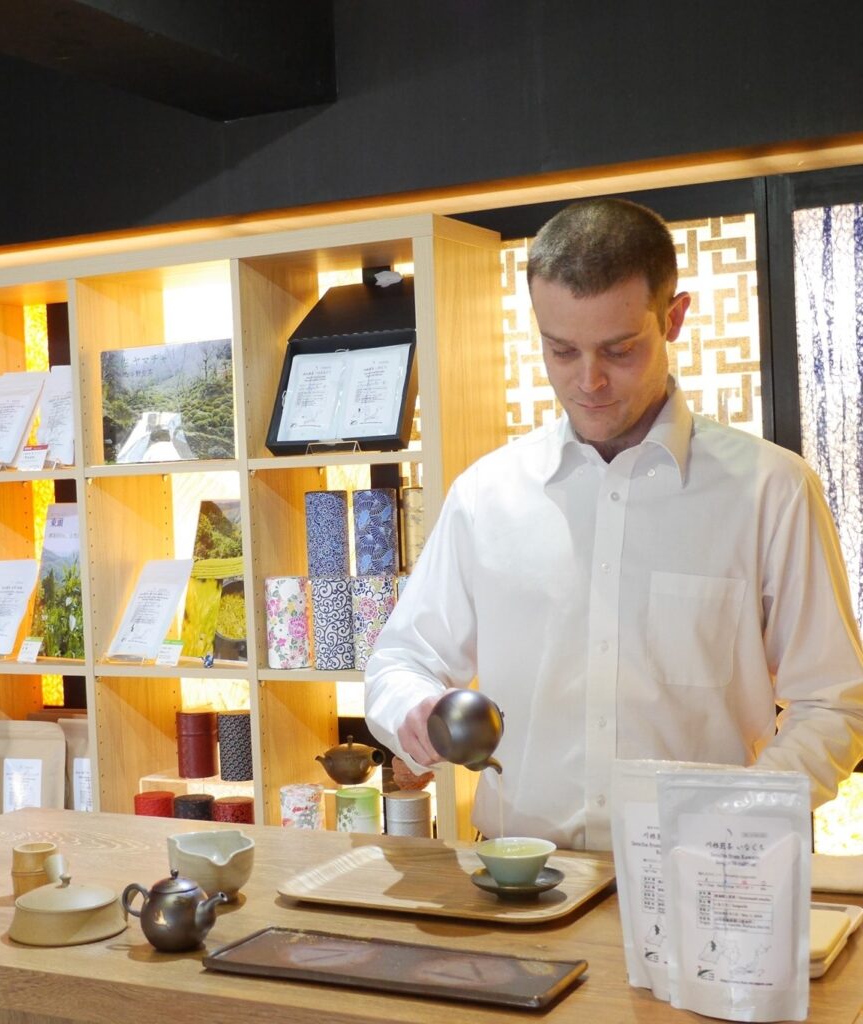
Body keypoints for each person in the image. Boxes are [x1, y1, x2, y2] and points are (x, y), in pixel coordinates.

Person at [364, 197, 863, 850]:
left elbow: (834, 703)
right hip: (521, 885)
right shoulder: (487, 494)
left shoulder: (772, 489)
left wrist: (740, 813)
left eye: (619, 350)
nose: (589, 380)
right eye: (561, 350)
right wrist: (417, 711)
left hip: (704, 877)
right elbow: (400, 660)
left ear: (674, 318)